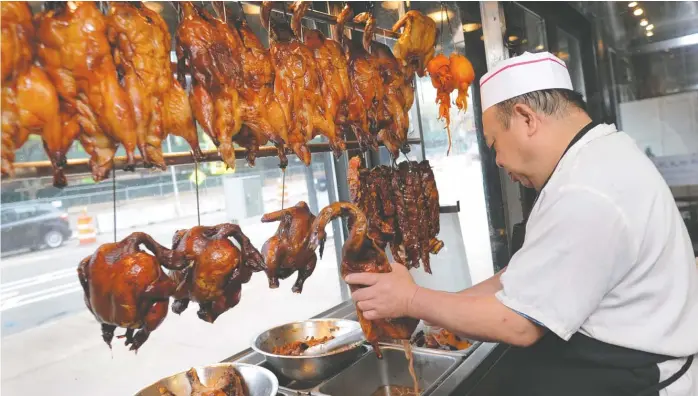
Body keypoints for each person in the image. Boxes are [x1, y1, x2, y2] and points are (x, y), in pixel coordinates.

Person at [346, 51, 698, 395]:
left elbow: (519, 323)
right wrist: (442, 309)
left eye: (494, 143)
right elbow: (522, 278)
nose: (497, 160)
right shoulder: (594, 159)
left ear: (526, 118)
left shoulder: (587, 189)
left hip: (635, 380)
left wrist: (412, 300)